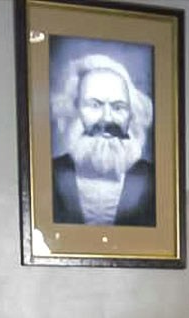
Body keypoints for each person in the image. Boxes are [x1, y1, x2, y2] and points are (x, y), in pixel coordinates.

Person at [50, 53, 155, 228]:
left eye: (118, 107)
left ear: (131, 116)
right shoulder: (50, 175)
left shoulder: (153, 181)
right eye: (95, 105)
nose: (107, 118)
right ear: (73, 110)